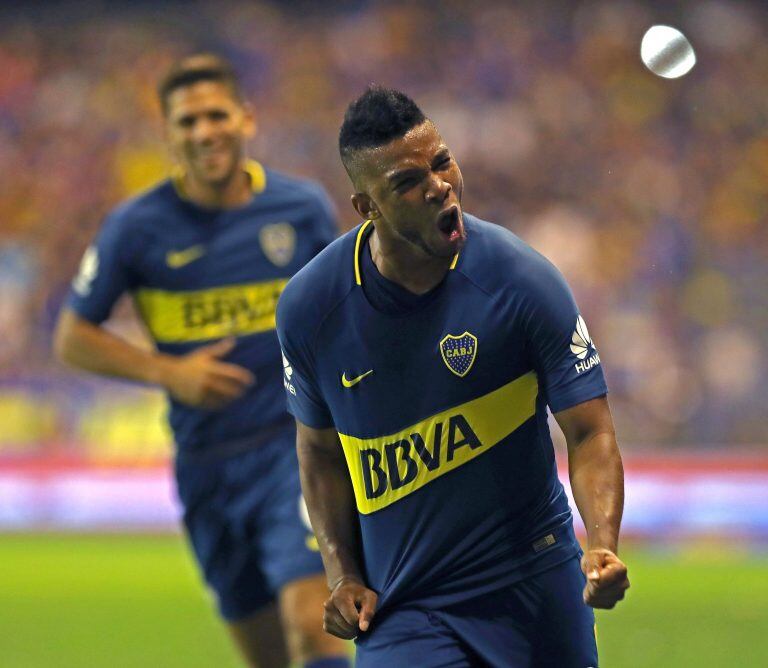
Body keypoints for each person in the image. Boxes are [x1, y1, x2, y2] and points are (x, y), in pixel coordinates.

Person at [276, 86, 629, 667]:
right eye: (407, 181)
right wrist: (342, 576)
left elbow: (589, 431)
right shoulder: (311, 309)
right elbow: (318, 453)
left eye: (441, 161)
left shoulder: (522, 282)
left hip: (535, 590)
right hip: (405, 606)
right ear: (368, 208)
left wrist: (602, 545)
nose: (438, 184)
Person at [54, 54, 350, 668]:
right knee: (265, 653)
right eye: (187, 122)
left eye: (216, 115)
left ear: (246, 119)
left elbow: (347, 314)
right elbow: (72, 336)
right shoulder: (136, 228)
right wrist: (169, 374)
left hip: (292, 449)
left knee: (313, 623)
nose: (204, 132)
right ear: (169, 134)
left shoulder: (301, 209)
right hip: (205, 465)